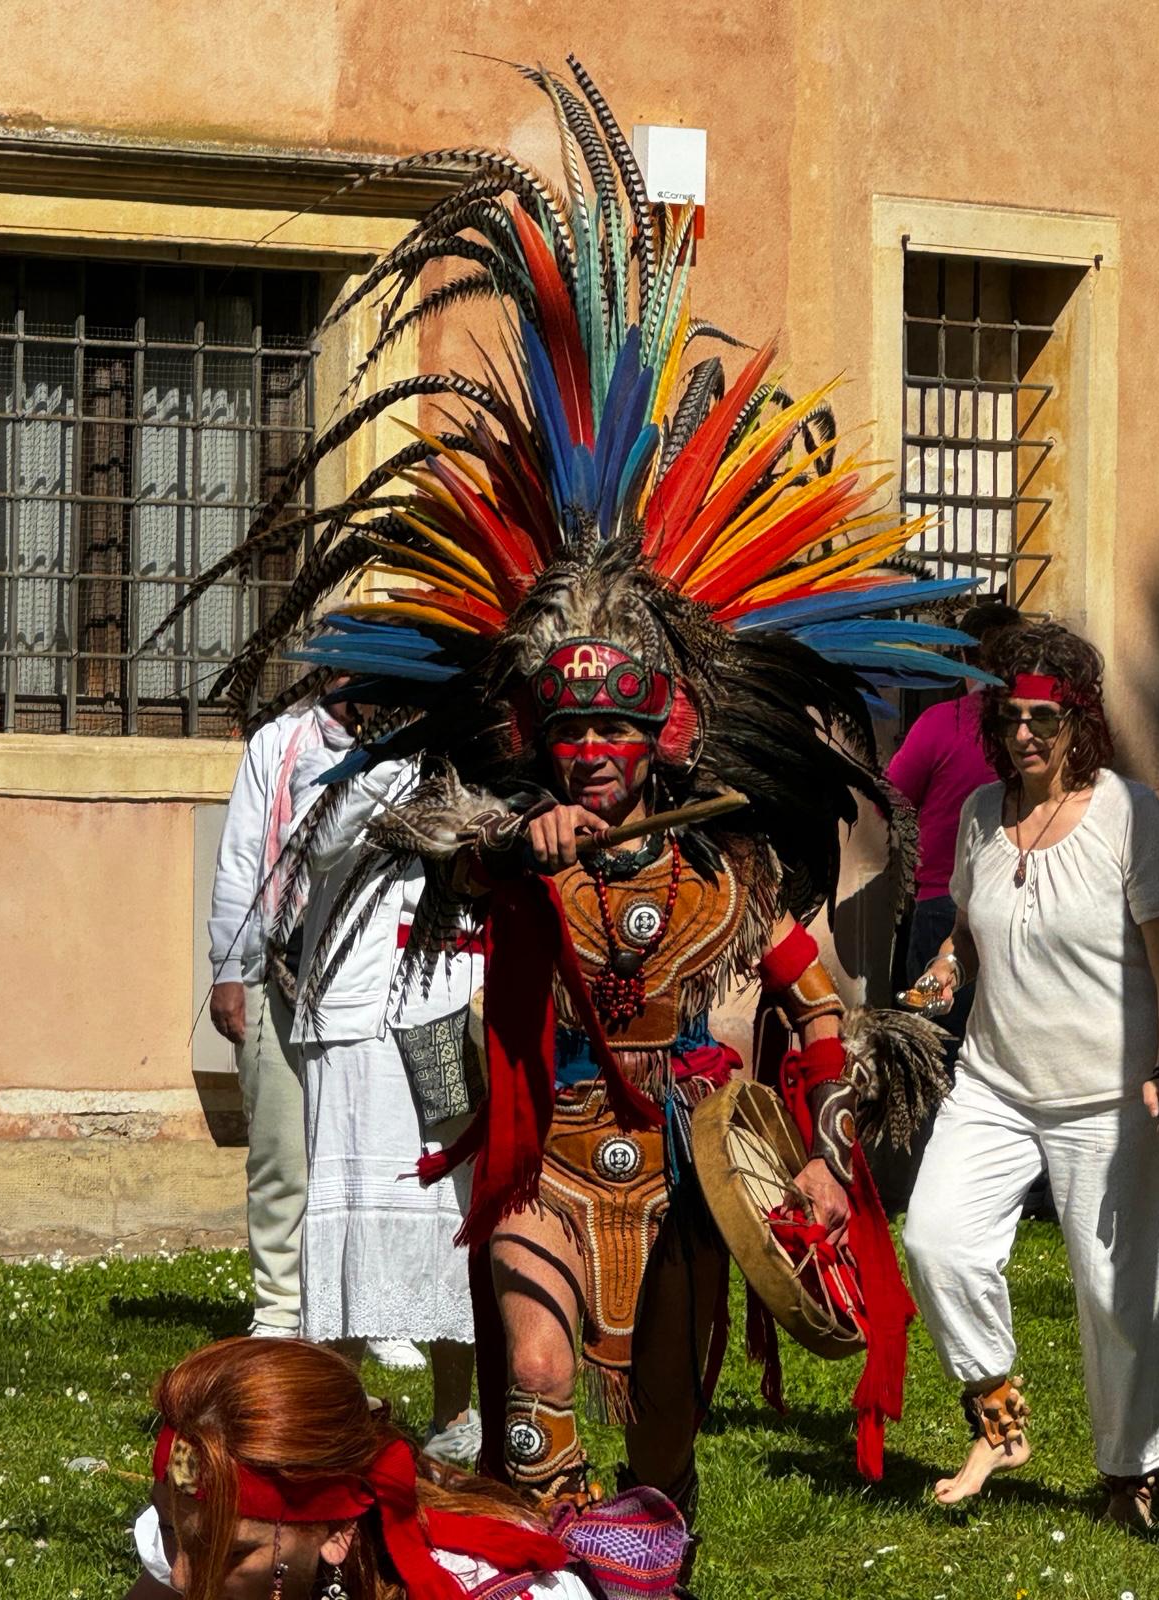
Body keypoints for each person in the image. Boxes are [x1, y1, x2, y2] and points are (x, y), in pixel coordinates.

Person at [146, 57, 981, 1542]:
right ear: (533, 721)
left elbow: (807, 994)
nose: (589, 745)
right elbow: (428, 863)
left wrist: (836, 1089)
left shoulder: (732, 857)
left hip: (692, 1178)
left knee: (661, 1462)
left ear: (662, 717)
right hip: (547, 1165)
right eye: (566, 720)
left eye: (612, 718)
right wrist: (502, 849)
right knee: (533, 1404)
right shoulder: (504, 831)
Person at [902, 622, 1159, 1526]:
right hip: (994, 1083)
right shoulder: (984, 815)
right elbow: (967, 924)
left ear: (1078, 722)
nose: (1025, 733)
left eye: (1044, 717)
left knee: (1117, 1294)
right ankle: (996, 1412)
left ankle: (1128, 1476)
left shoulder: (1128, 812)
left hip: (1112, 1093)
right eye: (1011, 716)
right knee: (936, 1239)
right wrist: (948, 966)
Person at [124, 1336, 686, 1600]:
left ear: (337, 1530)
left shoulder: (497, 1594)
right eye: (173, 1533)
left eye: (232, 1553)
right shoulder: (193, 1534)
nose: (180, 1576)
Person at [287, 740, 484, 1468]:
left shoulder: (489, 771)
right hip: (358, 1029)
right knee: (355, 1211)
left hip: (448, 1015)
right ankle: (331, 1410)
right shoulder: (349, 770)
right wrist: (400, 779)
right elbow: (324, 842)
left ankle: (454, 1414)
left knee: (452, 1208)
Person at [208, 691, 353, 1337]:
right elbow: (241, 856)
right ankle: (277, 1310)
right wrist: (227, 969)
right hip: (277, 972)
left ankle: (370, 1312)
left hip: (373, 985)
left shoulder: (419, 749)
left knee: (369, 1152)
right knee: (279, 1151)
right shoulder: (278, 743)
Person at [888, 599, 1021, 1059]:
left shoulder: (939, 724)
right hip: (1017, 908)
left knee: (932, 1051)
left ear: (964, 659)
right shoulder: (1035, 731)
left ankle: (930, 1133)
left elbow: (892, 798)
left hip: (942, 905)